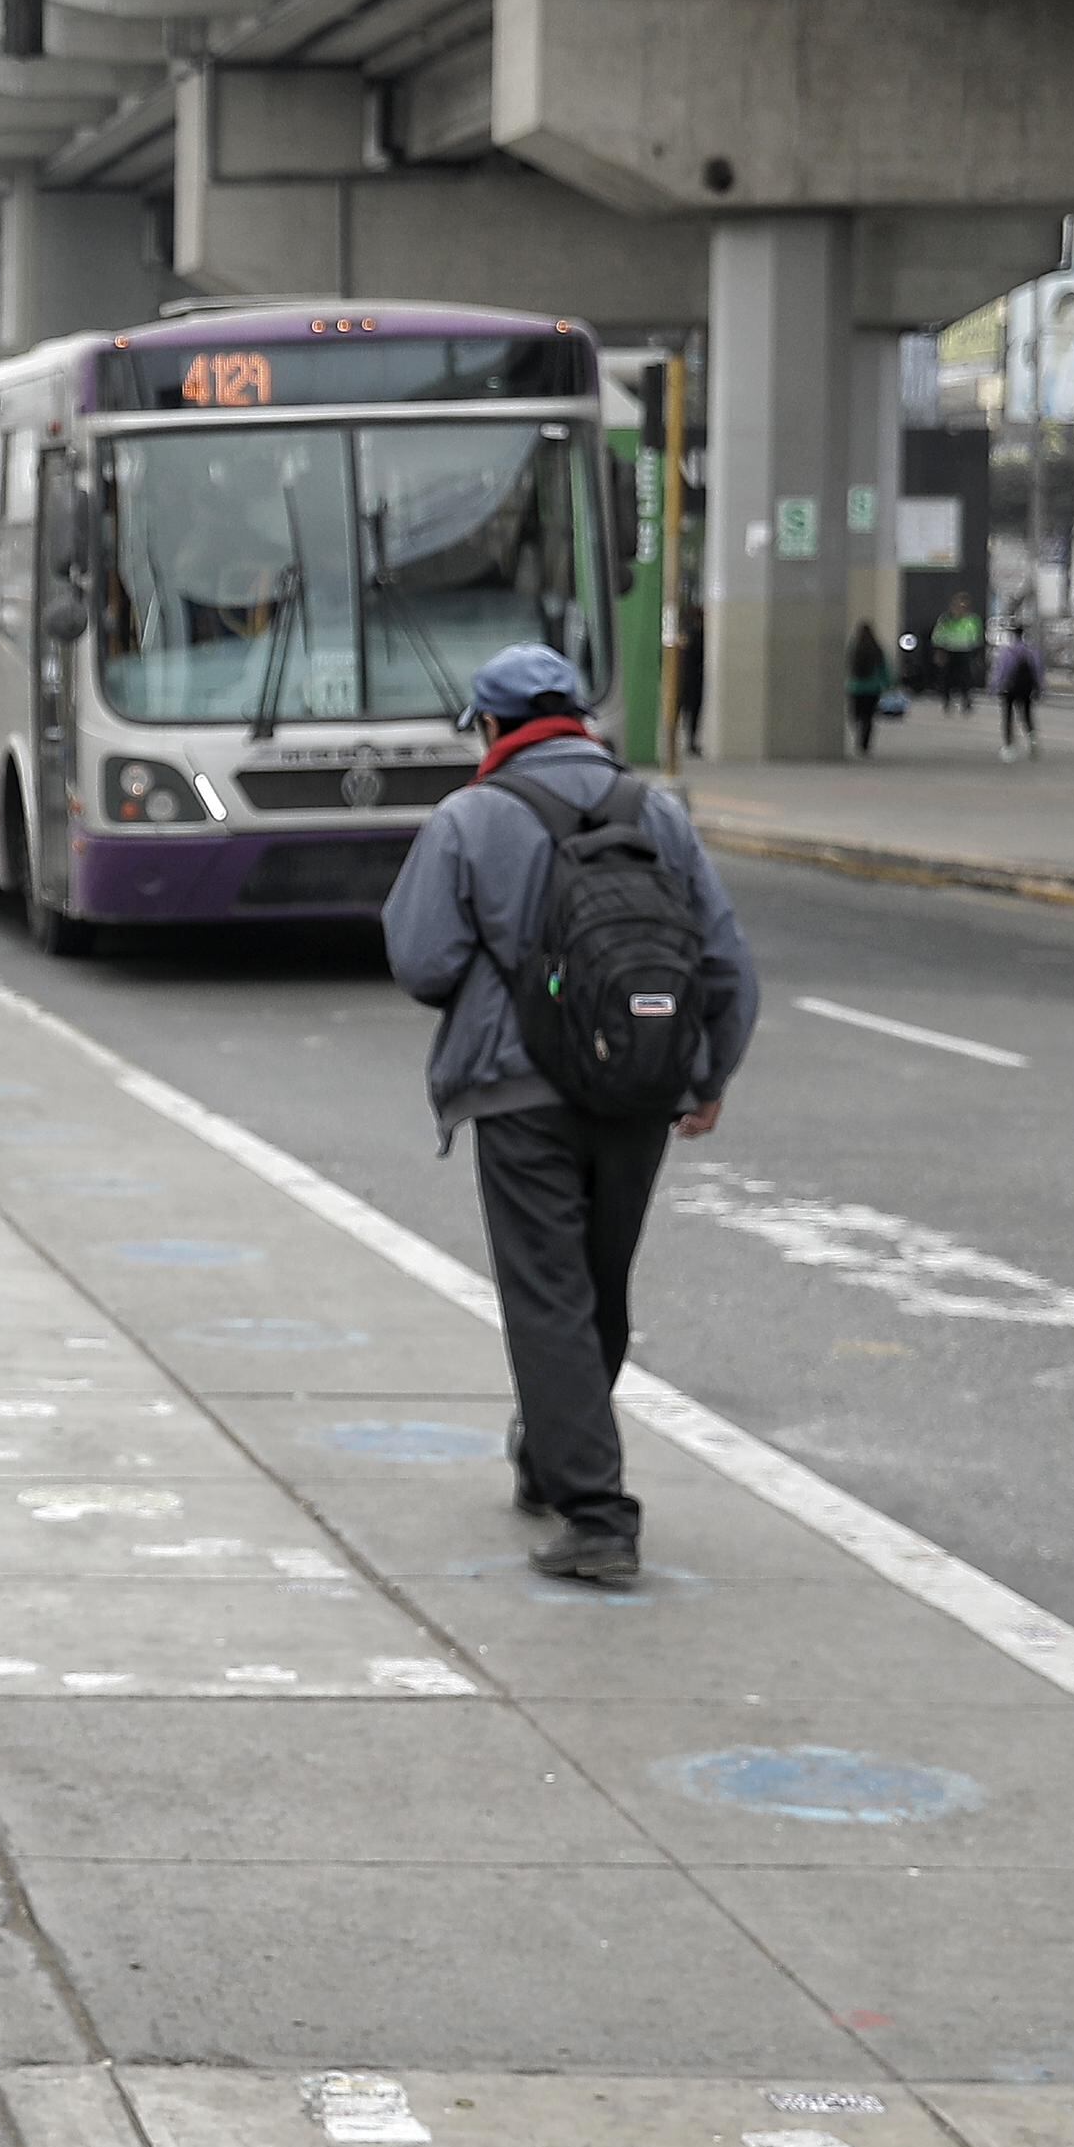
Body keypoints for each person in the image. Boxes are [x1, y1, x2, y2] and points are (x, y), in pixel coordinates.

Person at [380, 643, 758, 1587]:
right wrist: (708, 1076)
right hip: (639, 1084)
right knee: (598, 1283)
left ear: (495, 727)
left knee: (547, 1293)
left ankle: (597, 1513)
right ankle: (554, 1456)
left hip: (519, 1092)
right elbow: (726, 963)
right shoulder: (657, 813)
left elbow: (421, 959)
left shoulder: (471, 816)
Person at [996, 618, 1047, 760]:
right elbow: (1039, 672)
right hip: (1027, 688)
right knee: (1026, 715)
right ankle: (1032, 739)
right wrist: (1041, 689)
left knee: (1008, 717)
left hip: (1009, 688)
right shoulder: (1032, 652)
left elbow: (1002, 671)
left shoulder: (1007, 652)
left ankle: (1009, 747)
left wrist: (996, 686)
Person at [931, 595, 985, 713]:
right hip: (949, 651)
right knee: (948, 677)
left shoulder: (972, 620)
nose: (961, 609)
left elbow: (977, 635)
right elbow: (938, 634)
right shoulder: (945, 619)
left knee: (965, 677)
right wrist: (939, 650)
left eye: (964, 606)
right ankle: (947, 701)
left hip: (965, 651)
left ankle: (966, 701)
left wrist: (977, 651)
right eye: (959, 605)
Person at [847, 620, 891, 755]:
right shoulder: (877, 649)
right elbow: (884, 668)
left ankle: (859, 734)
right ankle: (864, 743)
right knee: (869, 717)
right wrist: (887, 683)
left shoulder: (854, 649)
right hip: (873, 688)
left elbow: (847, 667)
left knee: (856, 715)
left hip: (856, 688)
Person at [673, 599, 708, 760]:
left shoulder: (685, 632)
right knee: (691, 711)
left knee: (682, 711)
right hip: (692, 677)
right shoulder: (698, 633)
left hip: (682, 677)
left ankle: (680, 740)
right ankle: (689, 742)